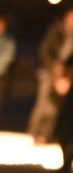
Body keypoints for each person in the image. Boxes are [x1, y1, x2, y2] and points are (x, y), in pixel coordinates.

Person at [29, 8, 73, 142]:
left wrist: (66, 76)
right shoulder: (56, 31)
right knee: (43, 103)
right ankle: (34, 132)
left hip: (65, 76)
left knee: (55, 107)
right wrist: (54, 66)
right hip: (48, 72)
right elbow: (44, 50)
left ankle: (46, 134)